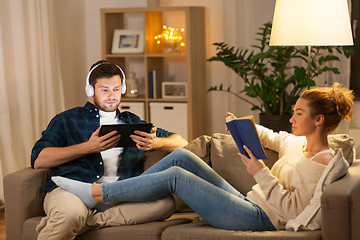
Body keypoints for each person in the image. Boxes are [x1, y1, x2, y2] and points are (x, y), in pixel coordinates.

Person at [52, 83, 353, 231]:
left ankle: (97, 193)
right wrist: (241, 125)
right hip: (251, 201)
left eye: (299, 114)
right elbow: (269, 136)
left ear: (318, 121)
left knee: (176, 177)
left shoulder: (322, 164)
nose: (291, 118)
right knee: (182, 158)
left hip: (262, 219)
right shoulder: (296, 143)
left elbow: (291, 211)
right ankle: (115, 196)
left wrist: (260, 171)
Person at [31, 60, 188, 240]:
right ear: (91, 90)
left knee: (166, 203)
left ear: (122, 89)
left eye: (116, 89)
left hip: (119, 196)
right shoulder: (67, 119)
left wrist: (156, 143)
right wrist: (88, 147)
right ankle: (74, 219)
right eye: (104, 90)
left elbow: (181, 142)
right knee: (70, 215)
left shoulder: (132, 122)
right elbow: (39, 160)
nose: (111, 95)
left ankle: (89, 222)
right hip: (72, 189)